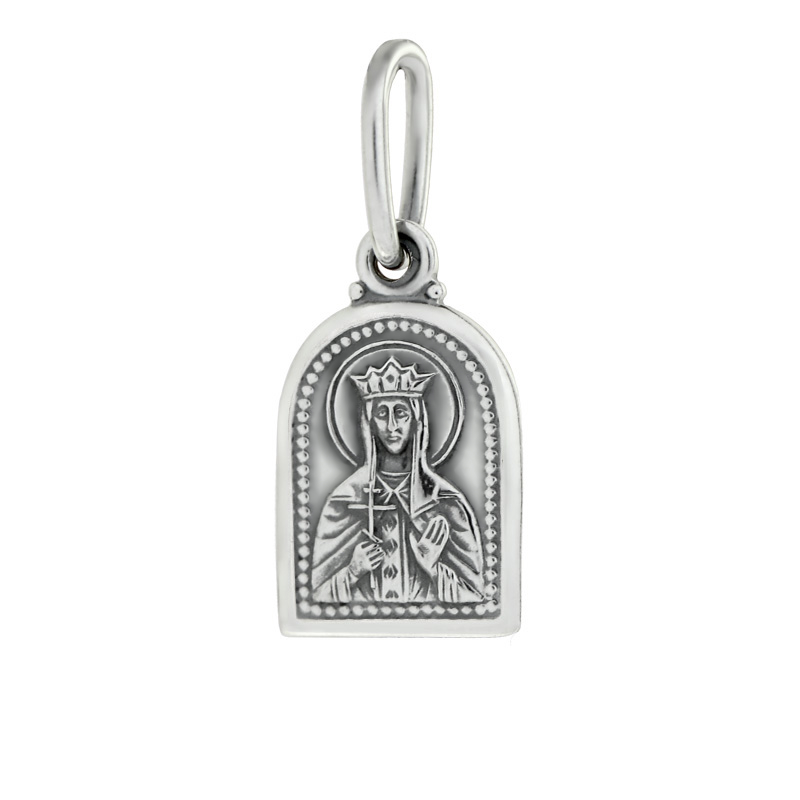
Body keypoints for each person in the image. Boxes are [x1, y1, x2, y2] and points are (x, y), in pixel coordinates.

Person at [311, 356, 484, 603]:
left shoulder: (445, 502)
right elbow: (316, 595)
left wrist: (433, 568)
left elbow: (475, 596)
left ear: (416, 419)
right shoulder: (344, 501)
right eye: (382, 413)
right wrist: (352, 572)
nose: (392, 426)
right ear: (369, 422)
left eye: (400, 413)